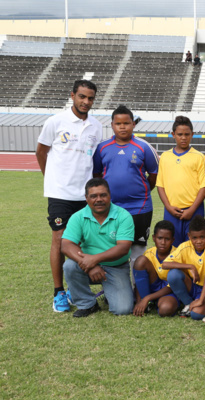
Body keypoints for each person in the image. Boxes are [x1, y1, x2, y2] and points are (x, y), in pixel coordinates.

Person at [36, 79, 103, 312]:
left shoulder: (96, 126)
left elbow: (93, 160)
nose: (86, 102)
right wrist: (51, 180)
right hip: (60, 193)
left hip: (85, 195)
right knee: (60, 239)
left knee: (83, 242)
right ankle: (59, 293)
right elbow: (41, 151)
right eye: (82, 96)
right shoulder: (55, 121)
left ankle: (77, 290)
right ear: (72, 95)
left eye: (90, 98)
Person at [93, 105, 159, 273]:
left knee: (137, 251)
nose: (122, 127)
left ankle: (138, 290)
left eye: (126, 123)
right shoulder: (102, 148)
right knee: (112, 249)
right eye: (118, 123)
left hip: (139, 207)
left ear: (133, 124)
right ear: (112, 125)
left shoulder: (144, 147)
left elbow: (154, 175)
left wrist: (141, 191)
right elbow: (97, 175)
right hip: (111, 209)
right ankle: (114, 290)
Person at [61, 178, 135, 317]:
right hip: (87, 266)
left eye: (103, 195)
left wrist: (94, 259)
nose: (99, 199)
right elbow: (66, 245)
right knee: (69, 266)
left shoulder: (123, 216)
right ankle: (87, 304)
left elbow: (123, 248)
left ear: (110, 196)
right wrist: (90, 265)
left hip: (116, 267)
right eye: (93, 196)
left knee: (123, 310)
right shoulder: (78, 217)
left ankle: (109, 292)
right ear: (86, 198)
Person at [156, 116, 205, 247]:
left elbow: (204, 187)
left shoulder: (199, 157)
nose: (183, 137)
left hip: (194, 211)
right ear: (173, 134)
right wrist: (168, 207)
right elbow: (160, 185)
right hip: (172, 211)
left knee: (195, 247)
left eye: (186, 134)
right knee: (172, 247)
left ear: (192, 135)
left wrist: (191, 210)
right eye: (180, 134)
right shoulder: (166, 157)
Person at [163, 215, 205, 320]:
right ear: (189, 236)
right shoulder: (185, 246)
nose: (198, 241)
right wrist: (190, 266)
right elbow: (165, 264)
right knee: (173, 274)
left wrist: (201, 299)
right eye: (195, 238)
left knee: (196, 314)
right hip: (193, 287)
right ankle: (188, 303)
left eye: (202, 237)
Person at [132, 220, 179, 317]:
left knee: (165, 309)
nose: (163, 242)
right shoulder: (149, 253)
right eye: (160, 238)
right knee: (140, 261)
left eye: (167, 239)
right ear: (153, 238)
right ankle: (147, 302)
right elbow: (139, 278)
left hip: (169, 290)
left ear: (173, 240)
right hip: (154, 285)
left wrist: (147, 298)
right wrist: (139, 301)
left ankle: (152, 301)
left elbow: (173, 286)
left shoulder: (178, 254)